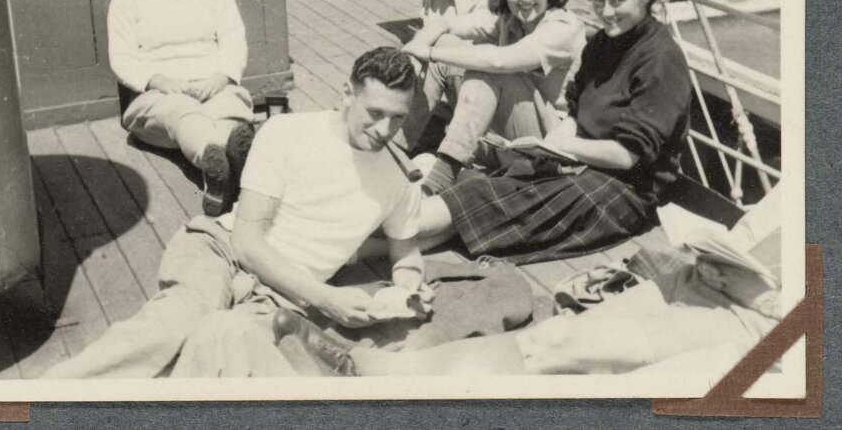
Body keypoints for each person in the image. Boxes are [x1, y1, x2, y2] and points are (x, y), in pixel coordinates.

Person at [42, 47, 430, 379]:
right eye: (375, 112)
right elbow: (246, 243)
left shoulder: (400, 178)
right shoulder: (289, 133)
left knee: (217, 344)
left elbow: (406, 254)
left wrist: (408, 290)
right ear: (347, 93)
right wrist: (326, 298)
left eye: (398, 117)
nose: (385, 129)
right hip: (222, 253)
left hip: (281, 299)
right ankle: (39, 403)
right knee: (175, 323)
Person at [276, 185, 783, 377]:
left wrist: (753, 290)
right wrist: (712, 254)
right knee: (550, 334)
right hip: (699, 276)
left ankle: (370, 375)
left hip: (747, 317)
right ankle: (384, 372)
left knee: (555, 350)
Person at [410, 0, 693, 261]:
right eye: (598, 1)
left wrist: (565, 145)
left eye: (617, 1)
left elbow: (627, 156)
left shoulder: (660, 59)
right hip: (582, 162)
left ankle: (387, 226)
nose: (606, 12)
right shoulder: (604, 42)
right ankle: (377, 242)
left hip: (627, 190)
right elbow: (576, 107)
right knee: (485, 199)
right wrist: (560, 138)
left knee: (493, 201)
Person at [402, 0, 586, 193]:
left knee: (490, 70)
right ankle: (397, 148)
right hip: (509, 136)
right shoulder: (509, 19)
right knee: (447, 45)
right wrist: (414, 51)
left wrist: (431, 53)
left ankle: (440, 179)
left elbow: (500, 61)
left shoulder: (563, 27)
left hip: (550, 145)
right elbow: (443, 25)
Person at [107, 0, 254, 216]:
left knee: (228, 109)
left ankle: (221, 181)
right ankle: (218, 163)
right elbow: (122, 59)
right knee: (184, 114)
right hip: (158, 97)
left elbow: (233, 39)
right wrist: (158, 81)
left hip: (212, 86)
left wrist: (221, 78)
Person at [394, 0, 496, 153]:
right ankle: (390, 139)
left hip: (489, 101)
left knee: (445, 46)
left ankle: (396, 147)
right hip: (451, 94)